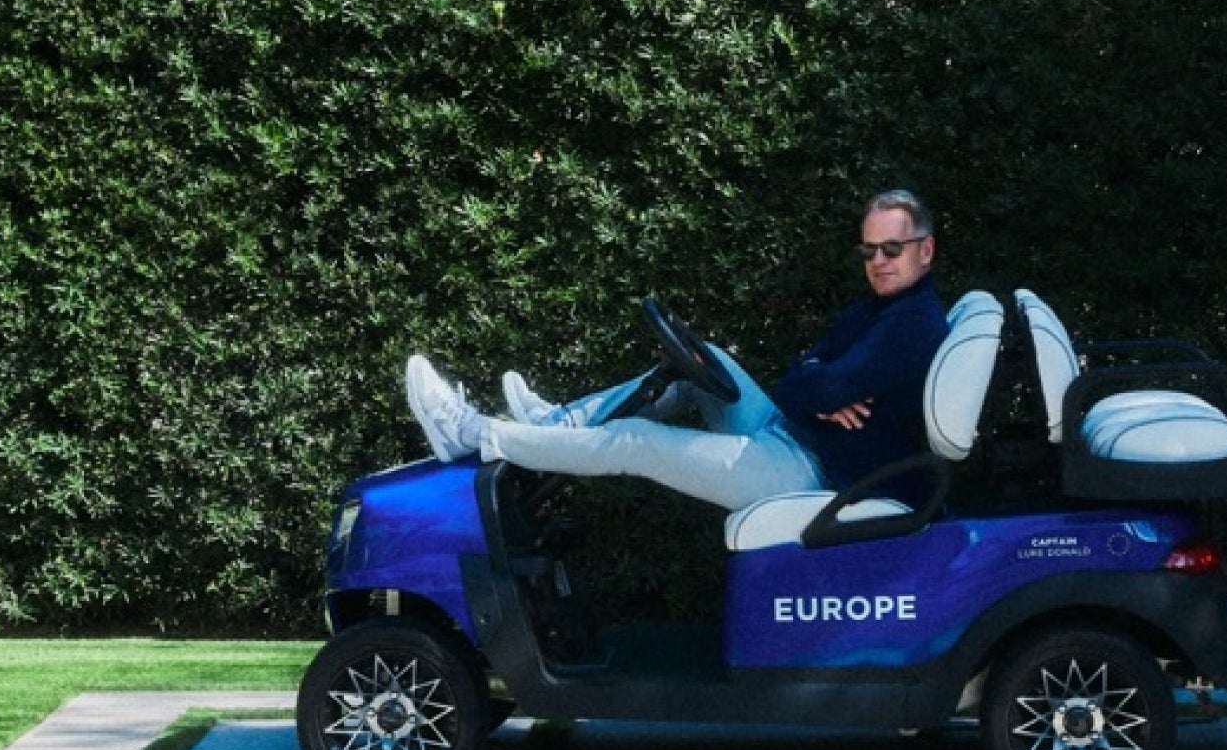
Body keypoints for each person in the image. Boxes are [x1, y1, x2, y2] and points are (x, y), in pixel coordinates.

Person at [405, 190, 951, 512]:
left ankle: (474, 435)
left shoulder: (914, 324)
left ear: (924, 250)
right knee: (702, 361)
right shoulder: (873, 310)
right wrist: (820, 387)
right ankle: (562, 421)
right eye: (869, 249)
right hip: (790, 433)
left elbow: (818, 382)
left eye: (892, 249)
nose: (878, 260)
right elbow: (799, 380)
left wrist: (822, 385)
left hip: (809, 472)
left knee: (637, 441)